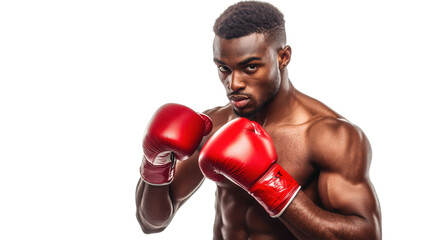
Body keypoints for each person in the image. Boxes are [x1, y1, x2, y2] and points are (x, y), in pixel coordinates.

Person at [135, 1, 382, 239]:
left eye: (250, 67)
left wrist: (270, 183)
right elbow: (151, 222)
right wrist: (155, 162)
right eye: (224, 69)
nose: (234, 84)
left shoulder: (329, 136)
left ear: (283, 57)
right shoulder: (212, 125)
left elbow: (367, 235)